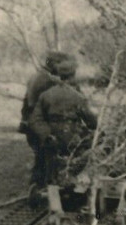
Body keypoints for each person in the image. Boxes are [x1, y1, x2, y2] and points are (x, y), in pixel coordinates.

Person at [28, 56, 98, 196]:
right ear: (73, 76)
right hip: (72, 137)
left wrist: (47, 135)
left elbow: (35, 120)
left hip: (52, 138)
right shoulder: (78, 97)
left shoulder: (46, 95)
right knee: (81, 160)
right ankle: (74, 189)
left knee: (51, 169)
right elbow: (91, 121)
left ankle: (53, 198)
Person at [19, 51, 67, 193]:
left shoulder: (36, 76)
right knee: (47, 158)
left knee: (41, 158)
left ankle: (37, 189)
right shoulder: (47, 81)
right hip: (39, 125)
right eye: (60, 65)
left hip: (31, 124)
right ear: (53, 64)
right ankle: (42, 191)